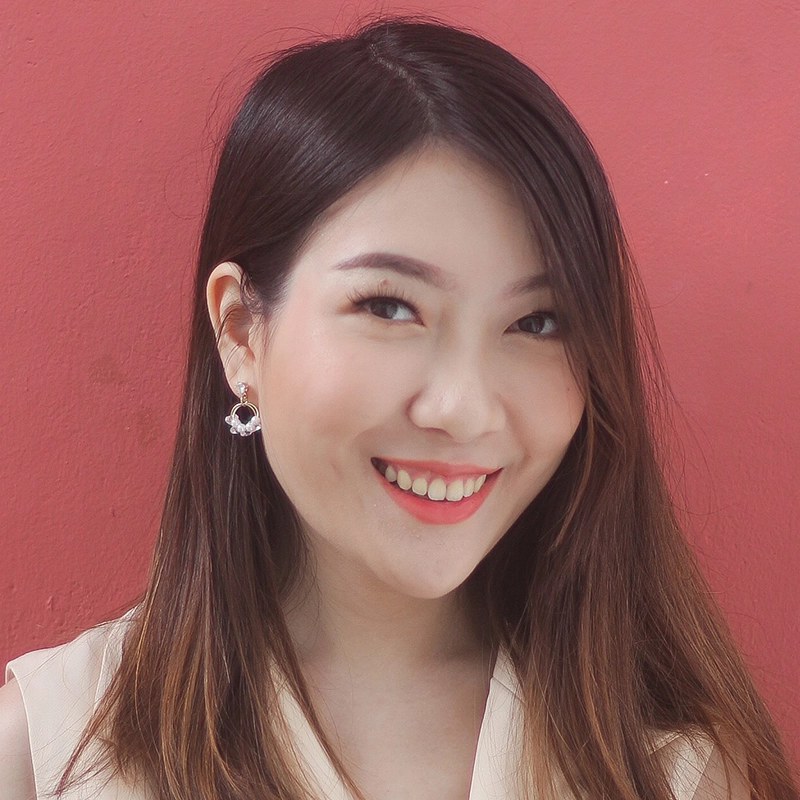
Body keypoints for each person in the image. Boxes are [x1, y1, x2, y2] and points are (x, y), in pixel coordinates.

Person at [0, 16, 796, 800]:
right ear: (242, 331)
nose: (463, 408)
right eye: (388, 307)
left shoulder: (673, 768)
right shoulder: (48, 749)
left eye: (537, 322)